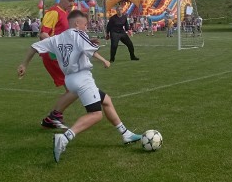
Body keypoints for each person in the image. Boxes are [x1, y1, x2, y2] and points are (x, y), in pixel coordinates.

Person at [17, 10, 142, 163]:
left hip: (70, 80)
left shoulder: (57, 39)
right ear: (77, 24)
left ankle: (125, 134)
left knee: (106, 100)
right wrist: (103, 58)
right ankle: (64, 138)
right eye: (85, 24)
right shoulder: (79, 34)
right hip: (83, 78)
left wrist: (24, 64)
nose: (86, 27)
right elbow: (90, 48)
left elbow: (34, 47)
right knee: (96, 114)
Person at [39, 0, 78, 129]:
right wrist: (56, 49)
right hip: (53, 56)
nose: (72, 3)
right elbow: (43, 34)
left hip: (60, 55)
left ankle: (53, 118)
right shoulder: (54, 12)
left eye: (73, 1)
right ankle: (54, 117)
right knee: (75, 88)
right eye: (69, 0)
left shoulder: (65, 13)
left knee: (73, 89)